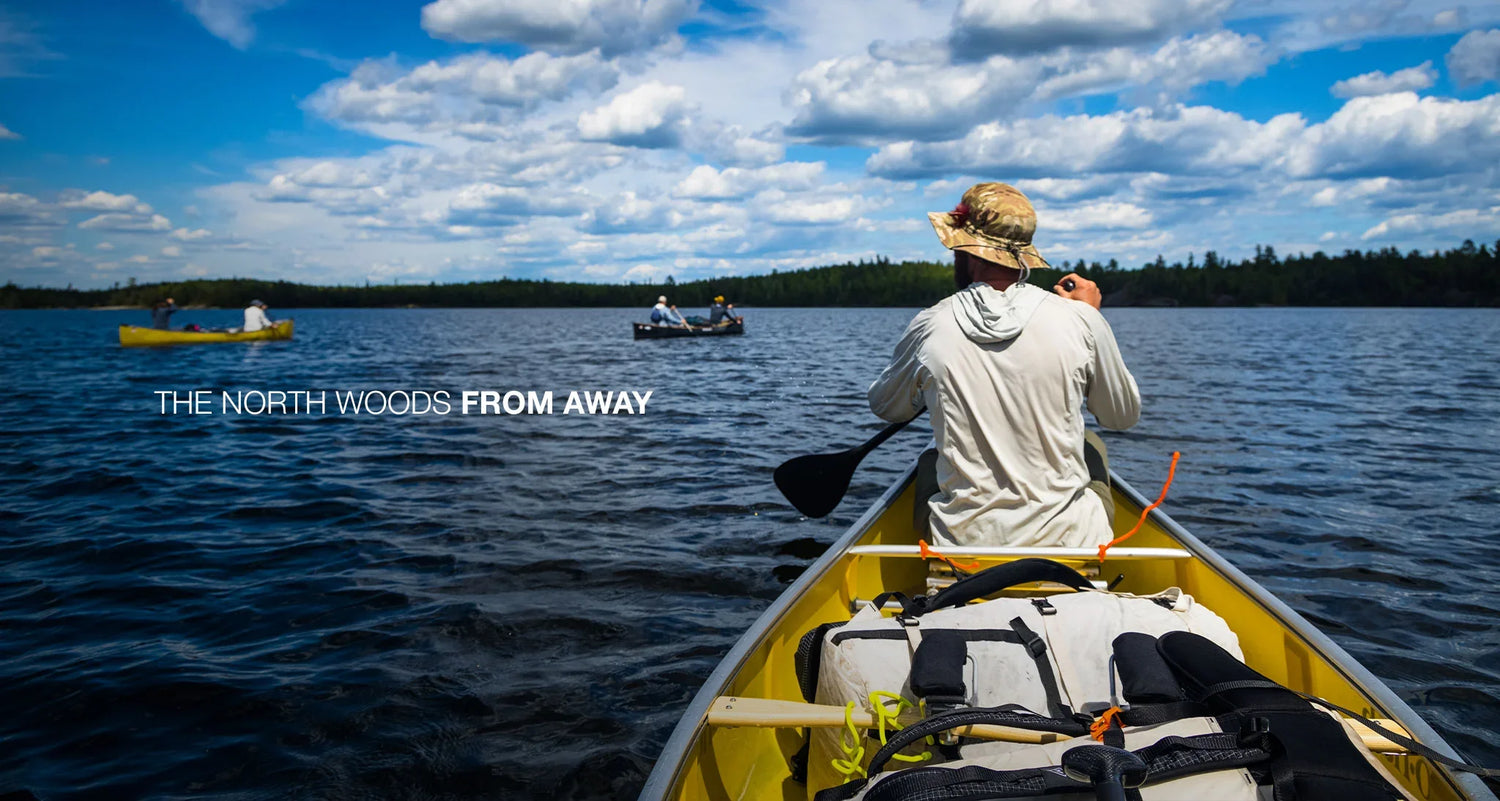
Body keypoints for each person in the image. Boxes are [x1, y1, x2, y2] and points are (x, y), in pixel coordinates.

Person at [867, 182, 1140, 549]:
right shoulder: (1080, 320)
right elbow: (1120, 417)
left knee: (933, 457)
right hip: (1072, 543)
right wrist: (1090, 318)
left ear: (966, 252)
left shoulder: (930, 324)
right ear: (1024, 257)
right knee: (1091, 444)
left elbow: (887, 408)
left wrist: (925, 381)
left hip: (963, 545)